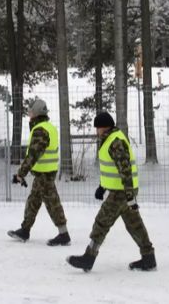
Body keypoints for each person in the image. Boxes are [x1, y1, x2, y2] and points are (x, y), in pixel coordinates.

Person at [67, 112, 155, 272]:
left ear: (103, 127)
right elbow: (113, 169)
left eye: (97, 128)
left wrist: (129, 196)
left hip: (121, 192)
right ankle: (149, 258)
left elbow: (125, 170)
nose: (96, 131)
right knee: (135, 225)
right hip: (121, 190)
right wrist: (102, 186)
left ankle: (89, 257)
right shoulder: (110, 140)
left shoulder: (115, 142)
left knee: (101, 222)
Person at [7, 99, 70, 246]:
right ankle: (25, 230)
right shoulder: (47, 127)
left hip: (45, 174)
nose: (29, 114)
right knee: (33, 202)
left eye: (30, 111)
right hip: (44, 172)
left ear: (36, 113)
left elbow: (33, 155)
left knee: (52, 203)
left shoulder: (40, 130)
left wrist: (20, 174)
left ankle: (64, 234)